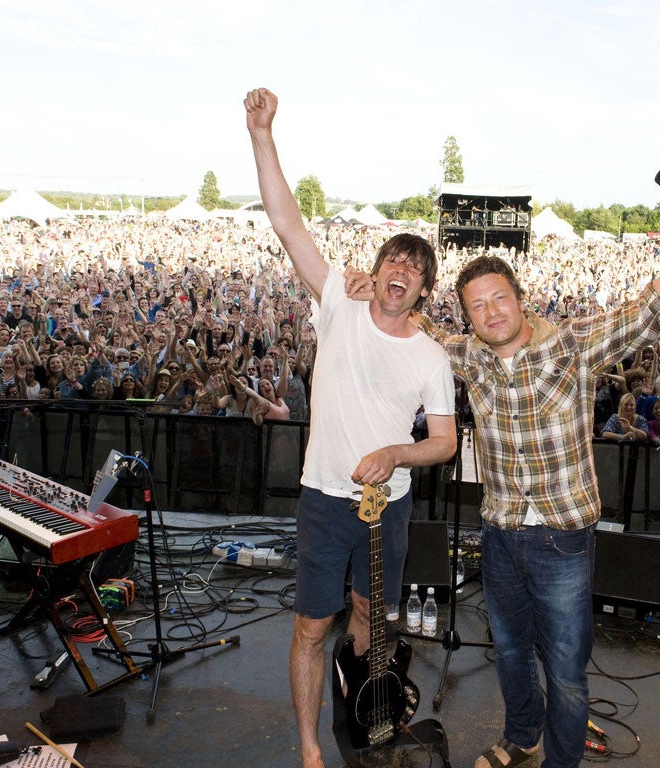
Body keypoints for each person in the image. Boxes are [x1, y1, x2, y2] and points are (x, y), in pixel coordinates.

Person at [361, 179, 660, 768]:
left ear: (520, 298)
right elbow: (411, 324)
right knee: (508, 653)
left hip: (562, 537)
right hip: (502, 533)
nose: (489, 312)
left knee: (565, 668)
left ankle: (561, 760)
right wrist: (366, 290)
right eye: (476, 306)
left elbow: (652, 308)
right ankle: (522, 736)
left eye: (498, 299)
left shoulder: (573, 346)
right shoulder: (468, 356)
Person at [244, 86, 457, 768]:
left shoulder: (430, 353)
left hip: (386, 509)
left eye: (416, 269)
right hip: (322, 498)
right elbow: (288, 223)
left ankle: (366, 718)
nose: (402, 271)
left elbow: (445, 441)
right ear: (377, 270)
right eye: (395, 259)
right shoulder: (338, 297)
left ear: (424, 291)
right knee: (312, 625)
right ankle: (309, 747)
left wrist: (396, 452)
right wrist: (263, 136)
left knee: (373, 621)